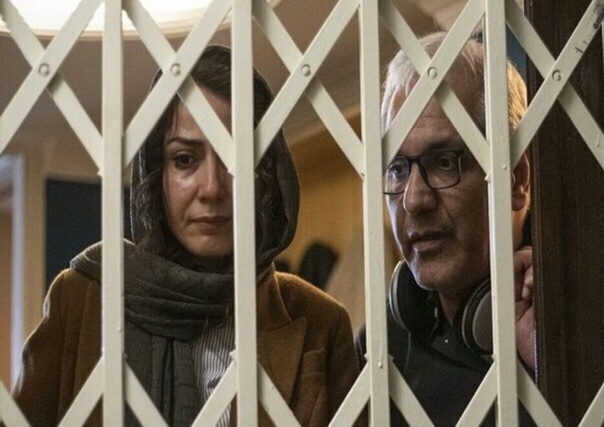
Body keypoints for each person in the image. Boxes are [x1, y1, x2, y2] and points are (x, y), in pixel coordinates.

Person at [12, 45, 360, 426]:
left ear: (266, 176)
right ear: (155, 176)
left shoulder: (320, 322)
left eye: (236, 159)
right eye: (184, 160)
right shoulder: (82, 299)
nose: (212, 188)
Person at [356, 32, 534, 426]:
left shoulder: (592, 310)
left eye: (443, 162)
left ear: (516, 179)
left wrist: (551, 362)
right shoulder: (375, 353)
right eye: (397, 169)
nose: (414, 200)